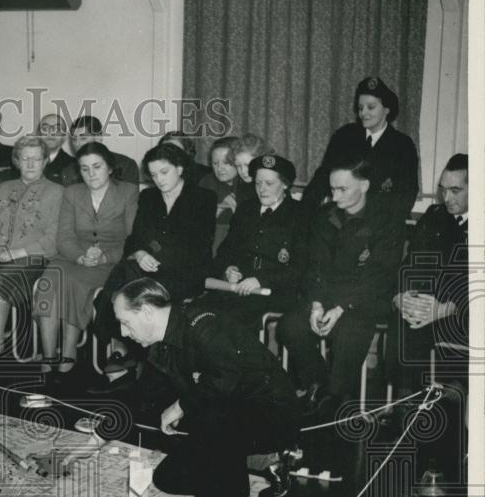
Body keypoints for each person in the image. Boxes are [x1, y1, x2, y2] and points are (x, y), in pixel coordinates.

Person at [112, 277, 301, 497]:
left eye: (125, 322)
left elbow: (225, 381)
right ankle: (268, 461)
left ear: (146, 312)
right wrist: (98, 434)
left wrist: (180, 406)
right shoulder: (162, 343)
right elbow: (141, 394)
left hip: (271, 412)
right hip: (234, 417)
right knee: (168, 478)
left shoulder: (203, 324)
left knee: (212, 413)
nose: (123, 332)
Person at [278, 153, 405, 417]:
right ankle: (319, 383)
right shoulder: (325, 216)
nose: (335, 197)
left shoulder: (387, 219)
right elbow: (316, 266)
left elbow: (379, 275)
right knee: (290, 326)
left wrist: (340, 308)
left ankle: (335, 399)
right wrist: (316, 304)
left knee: (348, 332)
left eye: (342, 189)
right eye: (332, 189)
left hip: (366, 299)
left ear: (364, 186)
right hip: (326, 294)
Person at [91, 142, 215, 389]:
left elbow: (196, 246)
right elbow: (135, 238)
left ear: (180, 168)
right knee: (125, 280)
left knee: (128, 290)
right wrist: (139, 253)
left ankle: (127, 357)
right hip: (146, 269)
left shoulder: (203, 198)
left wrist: (152, 255)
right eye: (154, 174)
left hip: (185, 272)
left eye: (164, 172)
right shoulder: (148, 197)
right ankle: (134, 358)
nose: (158, 180)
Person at [35, 142, 139, 383]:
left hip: (110, 261)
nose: (91, 174)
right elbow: (64, 236)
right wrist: (80, 255)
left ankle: (69, 352)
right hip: (72, 256)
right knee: (49, 282)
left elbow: (133, 238)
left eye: (97, 167)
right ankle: (48, 355)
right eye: (84, 169)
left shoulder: (128, 192)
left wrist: (104, 256)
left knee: (74, 281)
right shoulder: (72, 193)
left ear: (109, 168)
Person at [0, 136, 64, 355]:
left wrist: (16, 253)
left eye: (36, 159)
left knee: (1, 279)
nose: (30, 164)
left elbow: (54, 238)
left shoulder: (57, 192)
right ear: (16, 161)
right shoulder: (1, 189)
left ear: (45, 161)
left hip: (34, 257)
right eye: (24, 158)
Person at [387, 153, 469, 396]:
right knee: (403, 322)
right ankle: (405, 403)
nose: (447, 197)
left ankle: (437, 397)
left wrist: (445, 308)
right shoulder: (435, 216)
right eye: (443, 189)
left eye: (455, 190)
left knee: (423, 330)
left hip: (462, 312)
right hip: (427, 308)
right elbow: (410, 264)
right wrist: (401, 296)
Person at [206, 153, 308, 335]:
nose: (262, 189)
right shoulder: (246, 210)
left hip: (275, 293)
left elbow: (301, 267)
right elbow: (225, 251)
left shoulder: (300, 215)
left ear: (285, 185)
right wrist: (228, 269)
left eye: (269, 184)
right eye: (258, 183)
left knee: (232, 319)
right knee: (200, 311)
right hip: (238, 290)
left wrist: (261, 280)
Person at [302, 76, 419, 220]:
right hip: (343, 218)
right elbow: (323, 178)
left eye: (371, 107)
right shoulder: (344, 136)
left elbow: (407, 194)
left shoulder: (403, 145)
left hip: (382, 220)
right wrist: (304, 213)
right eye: (360, 108)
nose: (363, 113)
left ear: (387, 109)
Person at [60, 115, 140, 186]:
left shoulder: (125, 165)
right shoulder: (69, 170)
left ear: (98, 137)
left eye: (83, 138)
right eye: (74, 139)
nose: (77, 144)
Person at [37, 113, 74, 185]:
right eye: (45, 129)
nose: (51, 133)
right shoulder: (21, 162)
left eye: (57, 129)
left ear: (64, 136)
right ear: (38, 135)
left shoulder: (74, 165)